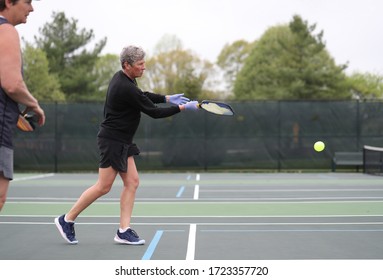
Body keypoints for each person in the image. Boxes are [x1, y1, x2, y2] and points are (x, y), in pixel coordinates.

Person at [55, 45, 198, 245]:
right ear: (127, 65)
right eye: (140, 64)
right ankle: (67, 219)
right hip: (113, 141)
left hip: (123, 140)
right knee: (103, 186)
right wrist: (182, 108)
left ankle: (123, 230)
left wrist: (167, 98)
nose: (144, 67)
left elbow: (143, 95)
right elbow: (154, 112)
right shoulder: (125, 86)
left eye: (144, 63)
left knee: (132, 182)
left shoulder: (124, 79)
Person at [0, 0, 45, 211]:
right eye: (27, 1)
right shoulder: (6, 30)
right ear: (8, 2)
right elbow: (12, 84)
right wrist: (34, 105)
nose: (32, 8)